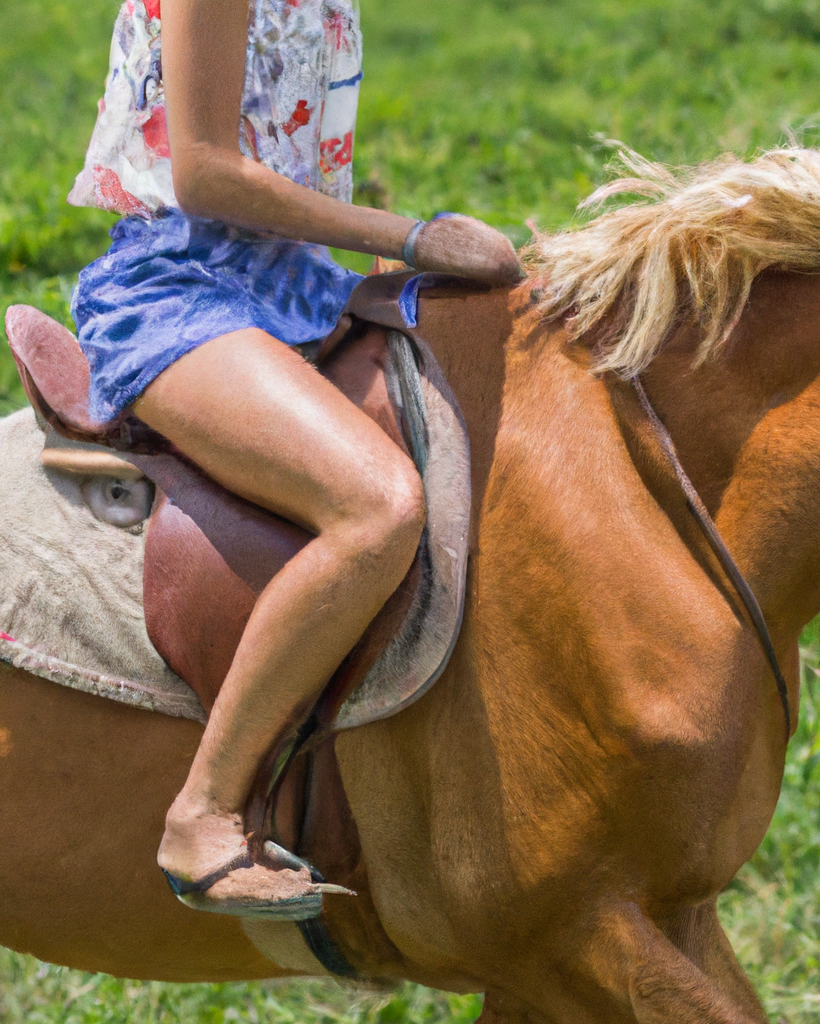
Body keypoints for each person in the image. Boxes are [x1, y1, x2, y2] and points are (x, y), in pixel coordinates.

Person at [67, 0, 521, 920]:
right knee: (375, 506)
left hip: (301, 284)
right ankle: (201, 814)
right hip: (181, 289)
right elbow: (201, 174)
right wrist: (409, 234)